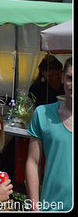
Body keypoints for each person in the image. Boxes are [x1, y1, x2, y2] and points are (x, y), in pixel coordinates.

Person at [25, 57, 72, 211]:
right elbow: (33, 162)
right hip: (52, 205)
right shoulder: (43, 114)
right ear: (64, 78)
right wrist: (34, 206)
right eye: (70, 78)